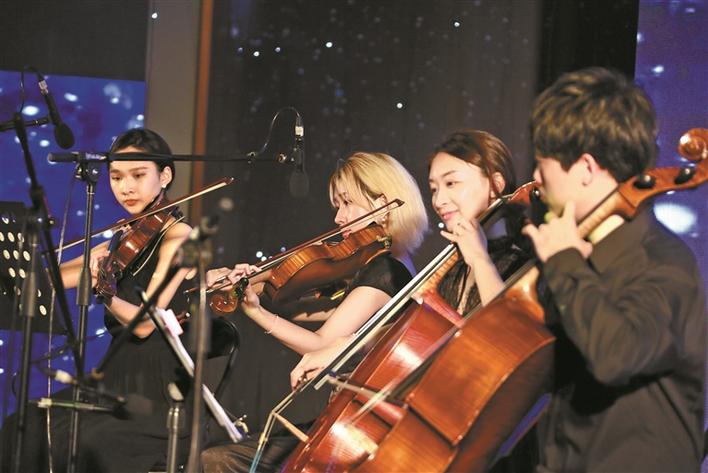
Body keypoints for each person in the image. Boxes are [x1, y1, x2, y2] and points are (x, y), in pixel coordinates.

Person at [289, 130, 536, 471]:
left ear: (496, 183)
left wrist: (479, 259)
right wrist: (343, 346)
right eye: (434, 188)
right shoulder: (453, 266)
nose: (439, 199)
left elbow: (505, 335)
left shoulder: (524, 259)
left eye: (452, 183)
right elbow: (417, 332)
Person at [522, 67, 706, 471]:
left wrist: (565, 261)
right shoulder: (581, 261)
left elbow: (615, 354)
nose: (536, 179)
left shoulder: (663, 260)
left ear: (586, 169)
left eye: (542, 164)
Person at [200, 152, 428, 472]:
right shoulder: (376, 265)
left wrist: (255, 311)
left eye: (348, 203)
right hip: (345, 418)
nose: (339, 218)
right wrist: (257, 284)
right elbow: (299, 309)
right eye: (337, 206)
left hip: (357, 428)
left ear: (384, 203)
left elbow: (323, 345)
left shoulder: (387, 271)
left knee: (221, 459)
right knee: (226, 454)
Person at [2, 128, 194, 473]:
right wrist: (15, 268)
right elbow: (55, 279)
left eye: (138, 175)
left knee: (87, 440)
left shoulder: (179, 236)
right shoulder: (126, 234)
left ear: (165, 176)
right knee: (26, 423)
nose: (126, 187)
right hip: (114, 377)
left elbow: (146, 324)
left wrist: (105, 291)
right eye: (116, 177)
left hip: (157, 389)